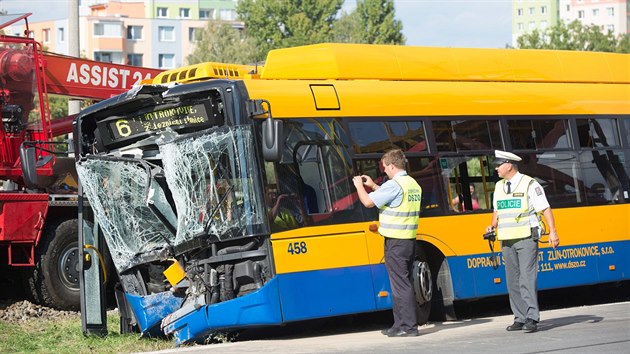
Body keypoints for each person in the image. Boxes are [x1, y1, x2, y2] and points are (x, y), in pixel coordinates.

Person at [485, 150, 559, 333]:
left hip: (526, 238)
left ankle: (532, 318)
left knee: (527, 278)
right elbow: (497, 211)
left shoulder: (529, 184)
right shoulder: (499, 187)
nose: (495, 168)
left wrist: (553, 232)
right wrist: (492, 226)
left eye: (498, 164)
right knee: (512, 281)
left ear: (509, 165)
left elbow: (545, 209)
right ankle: (520, 317)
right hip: (506, 240)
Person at [352, 149, 422, 337]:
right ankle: (399, 325)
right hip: (407, 239)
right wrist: (374, 185)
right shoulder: (412, 184)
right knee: (401, 283)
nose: (385, 171)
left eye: (385, 168)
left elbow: (367, 203)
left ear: (392, 165)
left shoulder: (394, 184)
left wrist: (359, 185)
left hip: (396, 241)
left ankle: (408, 326)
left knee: (401, 284)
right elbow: (392, 199)